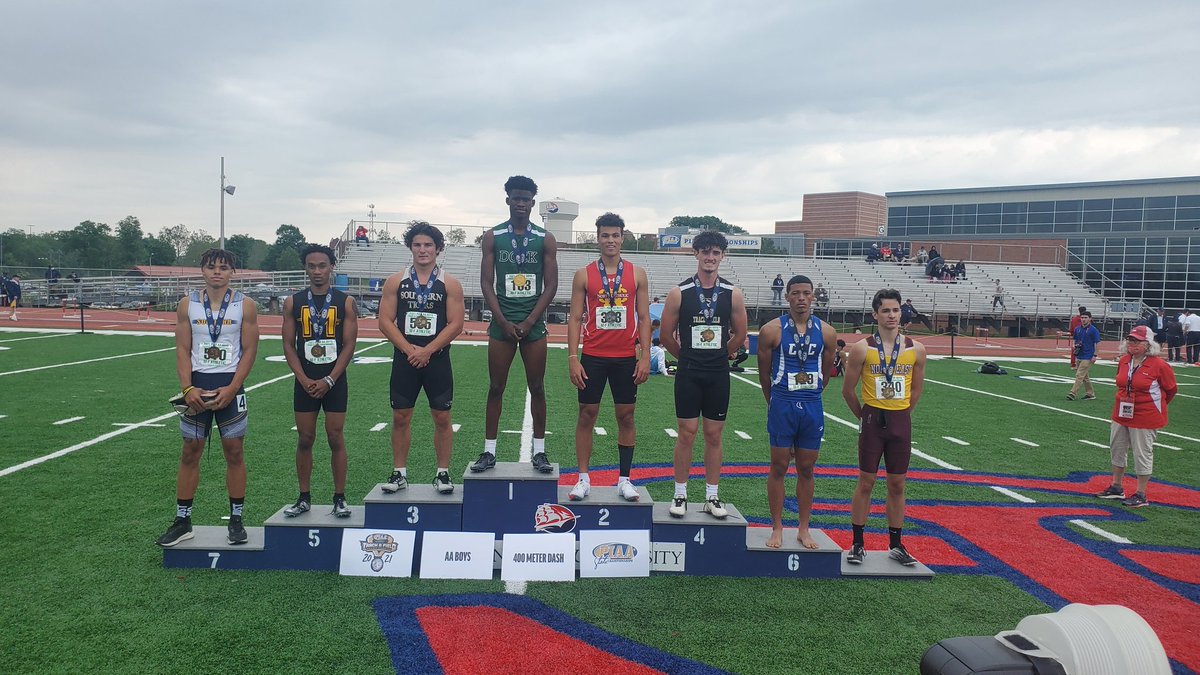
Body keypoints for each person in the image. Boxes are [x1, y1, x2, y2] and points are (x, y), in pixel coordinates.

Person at [156, 249, 260, 547]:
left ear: (232, 273)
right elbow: (181, 349)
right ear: (202, 270)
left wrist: (233, 388)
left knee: (235, 452)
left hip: (230, 387)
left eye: (223, 267)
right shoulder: (187, 304)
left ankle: (237, 521)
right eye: (211, 267)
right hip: (197, 388)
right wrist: (187, 389)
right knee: (190, 451)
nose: (217, 272)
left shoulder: (246, 306)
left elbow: (250, 350)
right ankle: (182, 521)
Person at [473, 175, 559, 473]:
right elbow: (486, 283)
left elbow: (551, 285)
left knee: (537, 386)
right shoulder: (492, 236)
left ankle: (539, 451)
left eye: (526, 198)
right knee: (496, 387)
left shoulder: (544, 238)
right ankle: (489, 451)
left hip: (532, 324)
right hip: (502, 323)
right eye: (516, 197)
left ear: (533, 202)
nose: (521, 203)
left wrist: (530, 320)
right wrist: (503, 321)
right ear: (507, 199)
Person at [662, 231, 748, 519]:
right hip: (689, 372)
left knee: (714, 435)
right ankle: (680, 493)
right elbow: (665, 336)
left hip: (718, 374)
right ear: (695, 254)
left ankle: (712, 496)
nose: (710, 258)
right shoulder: (680, 292)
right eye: (705, 252)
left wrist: (721, 354)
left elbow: (740, 333)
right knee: (686, 434)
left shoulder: (732, 293)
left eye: (715, 253)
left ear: (723, 256)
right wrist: (687, 356)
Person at [566, 213, 650, 502]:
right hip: (593, 355)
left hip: (626, 356)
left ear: (623, 237)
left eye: (615, 235)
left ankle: (625, 479)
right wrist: (572, 358)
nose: (610, 240)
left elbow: (643, 317)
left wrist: (646, 355)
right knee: (587, 414)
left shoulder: (637, 274)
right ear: (597, 238)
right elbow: (575, 318)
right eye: (605, 235)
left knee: (626, 416)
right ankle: (583, 478)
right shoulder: (583, 274)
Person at [842, 289, 927, 566]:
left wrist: (901, 413)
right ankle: (857, 542)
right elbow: (848, 390)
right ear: (875, 314)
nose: (892, 316)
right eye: (886, 311)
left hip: (900, 420)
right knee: (866, 482)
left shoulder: (916, 349)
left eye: (895, 310)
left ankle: (896, 543)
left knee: (897, 483)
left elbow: (916, 389)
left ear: (901, 312)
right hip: (872, 419)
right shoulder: (862, 348)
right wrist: (864, 417)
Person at [379, 223, 465, 494]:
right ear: (410, 247)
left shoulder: (449, 283)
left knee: (442, 417)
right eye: (417, 244)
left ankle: (442, 473)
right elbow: (385, 321)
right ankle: (399, 472)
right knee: (401, 416)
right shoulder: (395, 281)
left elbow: (456, 324)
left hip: (436, 359)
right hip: (406, 359)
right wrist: (409, 350)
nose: (423, 250)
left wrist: (427, 351)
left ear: (438, 249)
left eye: (428, 245)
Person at [756, 275, 837, 547]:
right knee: (778, 466)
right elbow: (764, 375)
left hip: (812, 405)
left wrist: (811, 394)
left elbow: (827, 373)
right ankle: (777, 527)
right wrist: (774, 402)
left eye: (806, 293)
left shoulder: (827, 332)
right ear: (787, 296)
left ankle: (804, 528)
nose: (801, 298)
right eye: (795, 293)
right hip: (782, 403)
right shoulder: (771, 330)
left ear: (813, 296)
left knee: (806, 468)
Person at [280, 244, 359, 518]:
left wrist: (330, 378)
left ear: (331, 267)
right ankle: (304, 497)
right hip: (305, 379)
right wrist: (302, 378)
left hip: (334, 379)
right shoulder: (293, 301)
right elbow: (288, 345)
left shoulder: (345, 301)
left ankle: (340, 497)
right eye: (311, 266)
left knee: (335, 436)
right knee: (305, 438)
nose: (317, 271)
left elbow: (349, 345)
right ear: (306, 268)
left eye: (322, 266)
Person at [1095, 326, 1177, 508]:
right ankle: (1116, 486)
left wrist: (1153, 407)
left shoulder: (1159, 365)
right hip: (1121, 413)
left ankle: (1141, 494)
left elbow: (1171, 390)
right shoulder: (1125, 360)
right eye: (1130, 340)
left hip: (1146, 416)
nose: (1132, 344)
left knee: (1142, 453)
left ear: (1148, 344)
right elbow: (1122, 383)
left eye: (1137, 341)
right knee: (1117, 448)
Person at [1068, 311, 1101, 401]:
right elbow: (1075, 340)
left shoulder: (1093, 330)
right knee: (1085, 377)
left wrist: (1095, 355)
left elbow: (1097, 343)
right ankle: (1090, 394)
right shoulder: (1077, 329)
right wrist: (1074, 346)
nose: (1083, 319)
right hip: (1079, 355)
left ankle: (1073, 393)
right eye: (1082, 318)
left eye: (1085, 317)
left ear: (1090, 319)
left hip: (1088, 356)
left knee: (1079, 374)